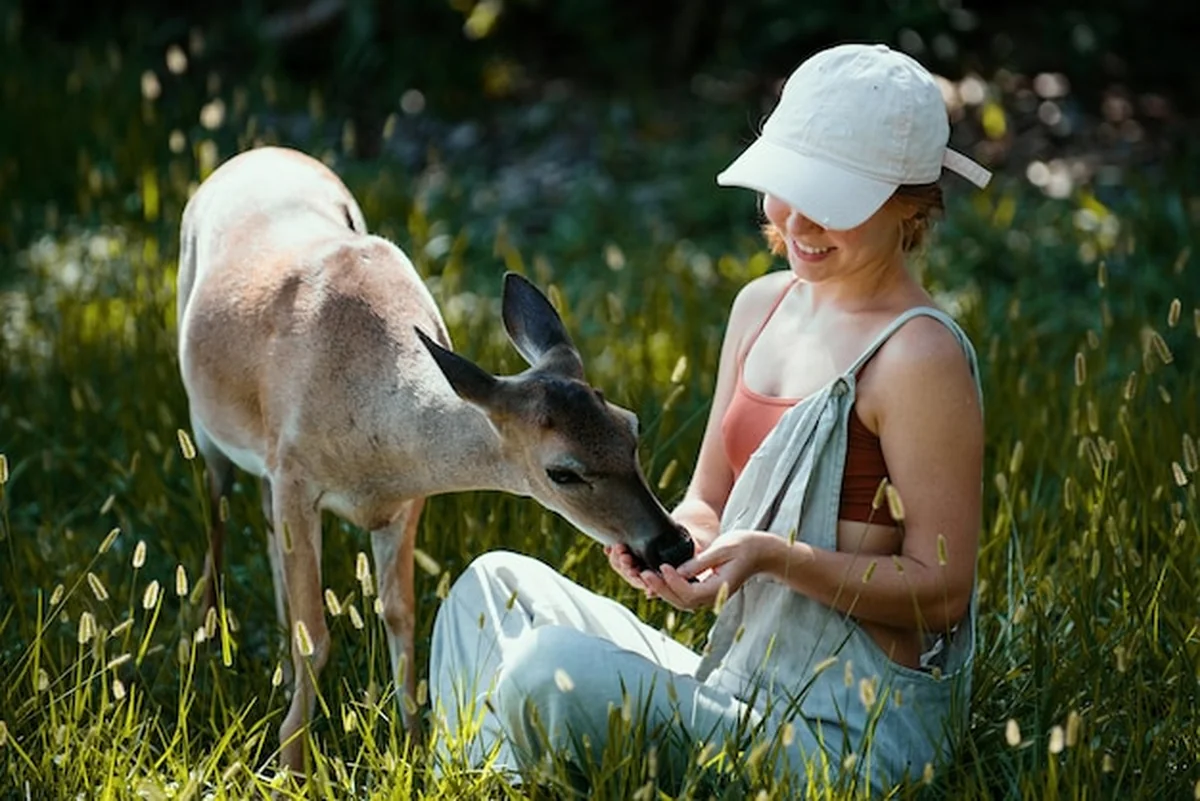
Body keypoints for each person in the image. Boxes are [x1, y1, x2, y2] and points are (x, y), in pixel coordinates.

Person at [429, 42, 990, 794]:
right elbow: (708, 504)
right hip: (735, 686)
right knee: (491, 589)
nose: (797, 221)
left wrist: (774, 558)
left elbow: (942, 591)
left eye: (833, 202)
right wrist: (675, 554)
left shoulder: (919, 355)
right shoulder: (760, 308)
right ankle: (492, 784)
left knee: (545, 670)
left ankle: (507, 773)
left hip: (845, 738)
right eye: (786, 189)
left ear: (910, 206)